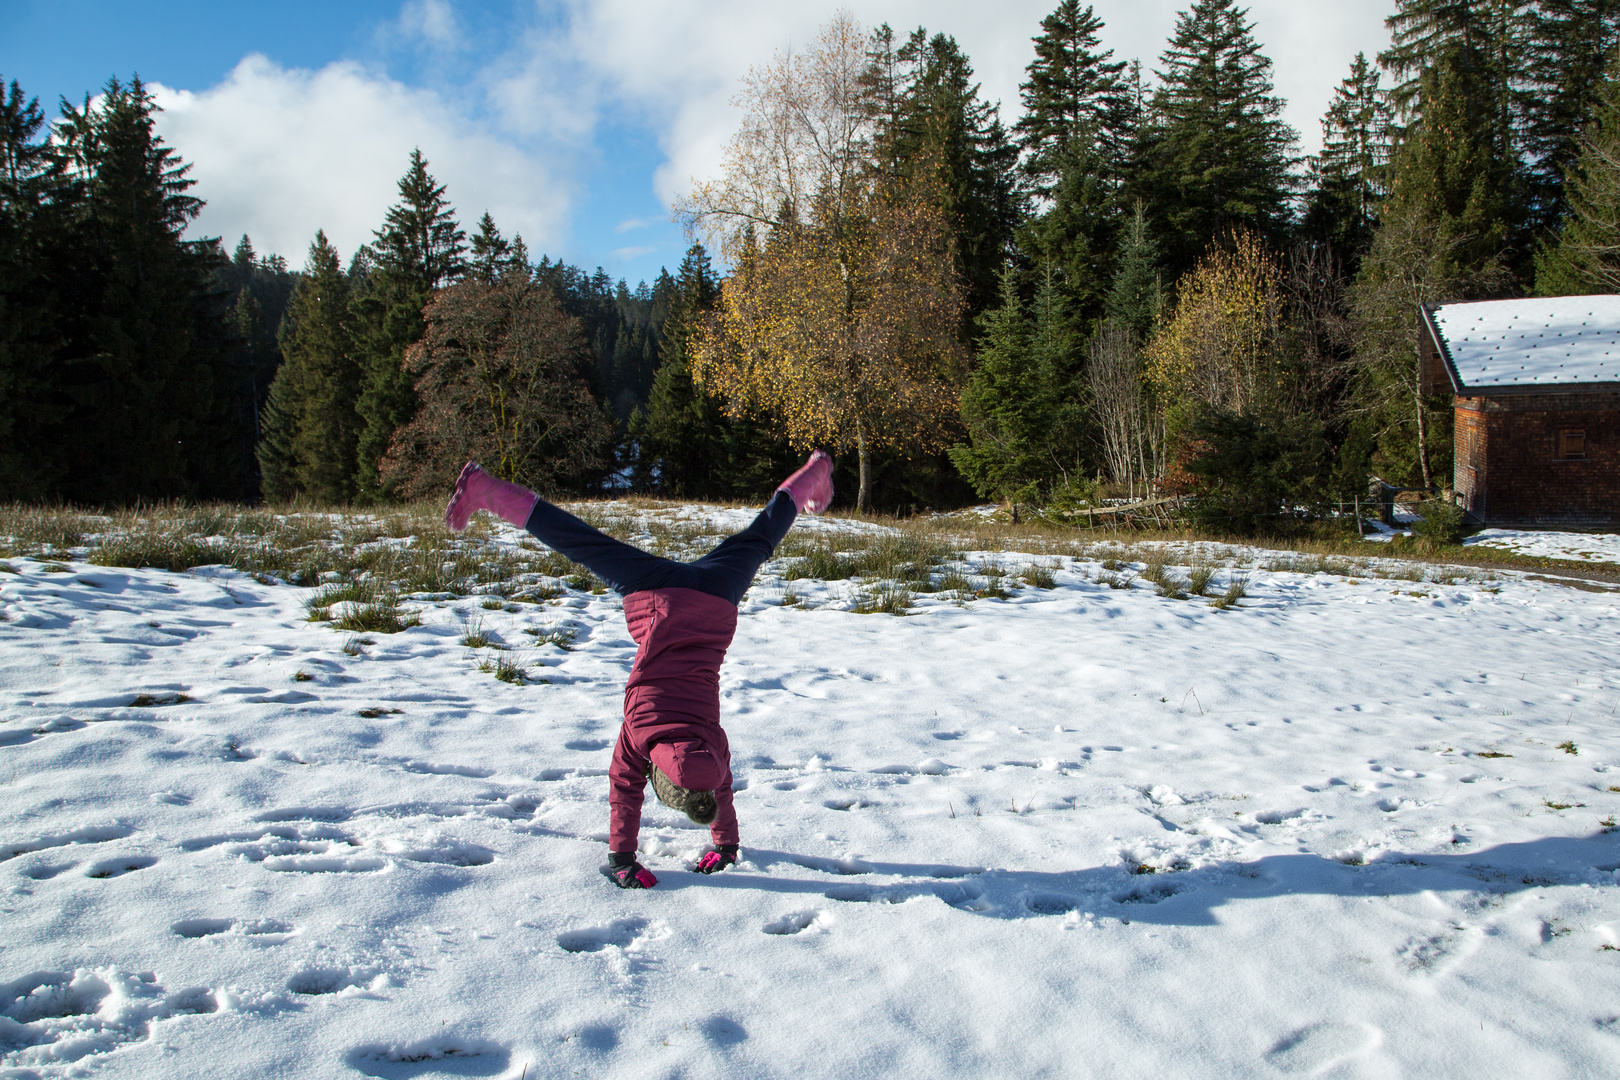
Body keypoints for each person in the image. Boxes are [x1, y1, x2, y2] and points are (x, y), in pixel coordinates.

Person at [445, 452, 834, 889]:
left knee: (761, 538)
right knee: (582, 542)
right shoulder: (642, 730)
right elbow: (624, 790)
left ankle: (812, 476)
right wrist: (622, 859)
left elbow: (719, 789)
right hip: (660, 599)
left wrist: (727, 845)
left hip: (716, 599)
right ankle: (485, 489)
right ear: (656, 771)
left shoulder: (713, 745)